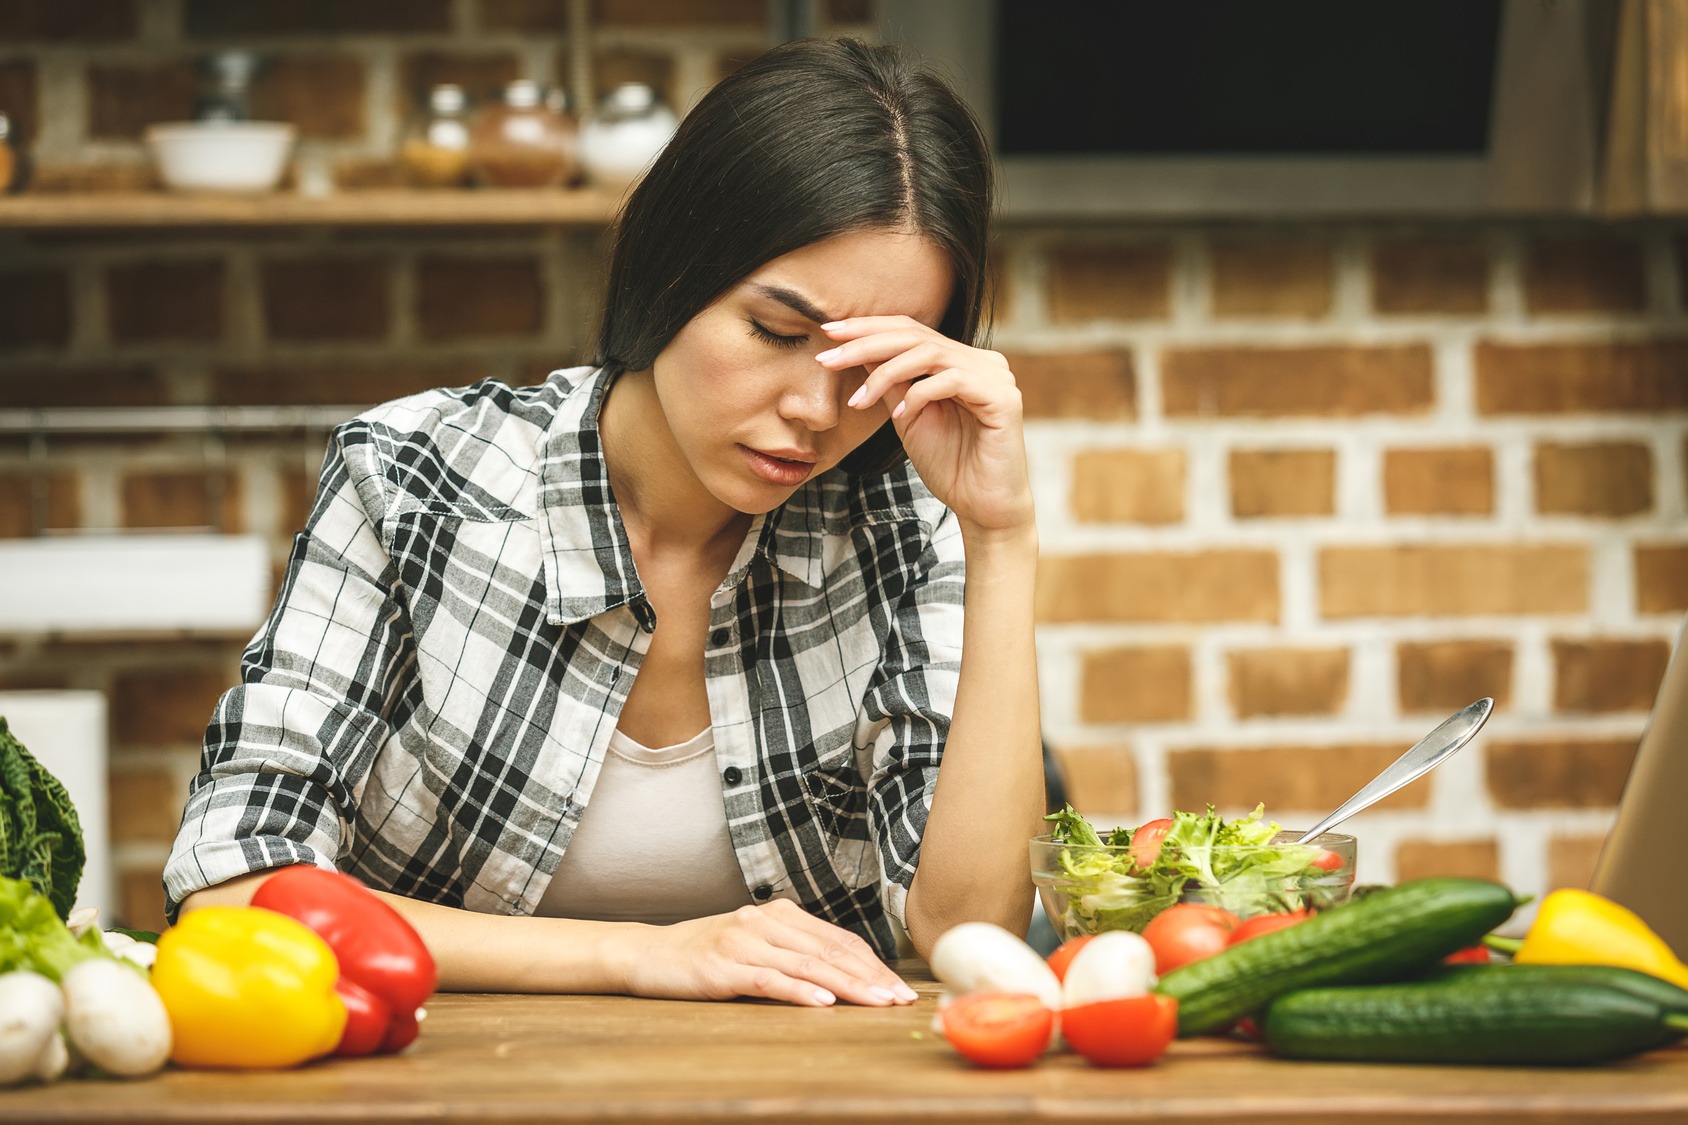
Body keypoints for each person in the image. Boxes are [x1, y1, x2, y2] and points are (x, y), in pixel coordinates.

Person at [164, 37, 1043, 1010]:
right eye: (777, 333)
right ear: (670, 272)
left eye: (873, 369)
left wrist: (999, 538)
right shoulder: (414, 474)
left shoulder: (898, 522)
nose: (815, 410)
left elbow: (968, 933)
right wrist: (639, 956)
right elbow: (233, 888)